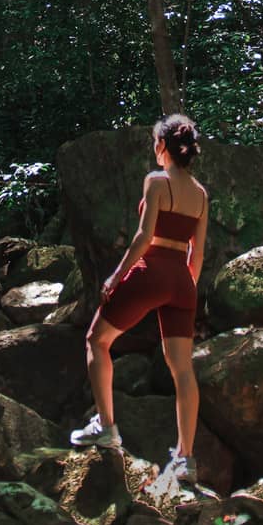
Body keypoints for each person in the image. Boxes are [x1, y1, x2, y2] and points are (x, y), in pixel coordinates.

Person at [70, 113, 208, 501]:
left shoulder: (156, 181)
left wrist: (115, 277)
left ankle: (107, 428)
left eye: (154, 143)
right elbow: (198, 255)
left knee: (97, 340)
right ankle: (186, 459)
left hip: (151, 271)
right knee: (182, 369)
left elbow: (144, 237)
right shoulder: (199, 194)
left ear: (163, 146)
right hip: (183, 280)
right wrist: (184, 291)